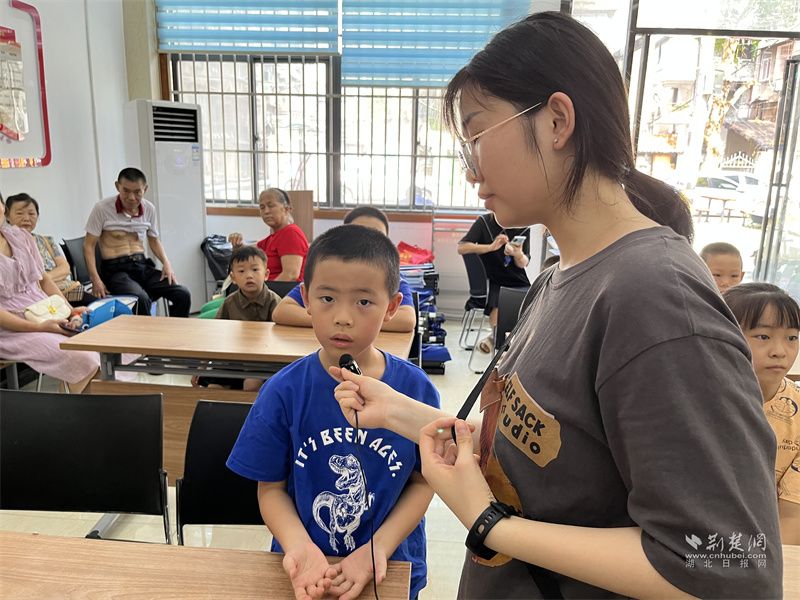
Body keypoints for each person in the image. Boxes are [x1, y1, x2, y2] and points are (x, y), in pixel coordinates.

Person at [331, 12, 781, 598]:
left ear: (557, 121)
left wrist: (491, 524)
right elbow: (542, 448)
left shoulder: (656, 297)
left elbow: (732, 566)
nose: (469, 169)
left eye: (475, 136)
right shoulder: (559, 278)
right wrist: (400, 413)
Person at [227, 225, 440, 600]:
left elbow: (424, 482)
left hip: (388, 565)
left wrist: (377, 549)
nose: (343, 317)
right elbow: (271, 489)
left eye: (363, 302)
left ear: (392, 307)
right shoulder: (283, 391)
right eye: (327, 298)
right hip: (305, 566)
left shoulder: (415, 390)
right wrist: (299, 546)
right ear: (305, 298)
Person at [723, 283, 800, 545]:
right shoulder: (699, 399)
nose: (780, 351)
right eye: (763, 337)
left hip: (767, 543)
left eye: (792, 338)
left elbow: (792, 515)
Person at [0, 193, 100, 392]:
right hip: (11, 328)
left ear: (3, 207)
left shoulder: (21, 237)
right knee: (83, 356)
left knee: (105, 344)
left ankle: (82, 405)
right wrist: (39, 327)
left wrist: (70, 310)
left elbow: (44, 280)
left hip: (46, 312)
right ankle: (75, 408)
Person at [272, 206, 416, 332]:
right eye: (328, 298)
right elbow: (282, 311)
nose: (365, 245)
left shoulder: (393, 279)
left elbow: (407, 320)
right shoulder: (327, 276)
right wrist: (325, 322)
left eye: (364, 301)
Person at [83, 167, 191, 317]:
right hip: (115, 270)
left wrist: (167, 263)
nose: (131, 197)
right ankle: (146, 333)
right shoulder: (102, 208)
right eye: (126, 191)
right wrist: (95, 278)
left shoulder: (149, 209)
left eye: (137, 192)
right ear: (117, 187)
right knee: (141, 299)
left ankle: (176, 331)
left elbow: (154, 240)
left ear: (145, 189)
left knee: (182, 293)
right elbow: (88, 246)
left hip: (142, 266)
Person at [193, 245, 281, 391]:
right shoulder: (230, 302)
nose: (249, 275)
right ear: (233, 278)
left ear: (266, 274)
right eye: (241, 271)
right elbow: (214, 334)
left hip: (263, 360)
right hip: (233, 359)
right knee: (214, 388)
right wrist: (201, 365)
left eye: (255, 269)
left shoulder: (274, 302)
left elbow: (282, 339)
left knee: (251, 385)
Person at [5, 193, 97, 307]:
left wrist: (43, 281)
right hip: (34, 300)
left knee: (98, 305)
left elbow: (65, 268)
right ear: (7, 216)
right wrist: (49, 279)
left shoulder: (47, 241)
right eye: (19, 213)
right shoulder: (7, 245)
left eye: (31, 213)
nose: (26, 218)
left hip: (66, 291)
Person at [458, 213, 530, 352]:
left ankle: (495, 339)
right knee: (501, 300)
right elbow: (462, 247)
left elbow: (523, 263)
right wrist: (490, 247)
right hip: (493, 279)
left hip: (518, 280)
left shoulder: (524, 226)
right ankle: (501, 343)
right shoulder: (484, 222)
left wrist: (518, 254)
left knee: (533, 299)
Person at [228, 188, 309, 282]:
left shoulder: (291, 233)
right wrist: (237, 245)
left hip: (282, 290)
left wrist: (264, 291)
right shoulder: (269, 239)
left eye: (271, 206)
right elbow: (247, 253)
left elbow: (290, 275)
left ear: (287, 209)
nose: (266, 211)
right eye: (262, 207)